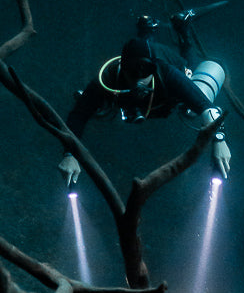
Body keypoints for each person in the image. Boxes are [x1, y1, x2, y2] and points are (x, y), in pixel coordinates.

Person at [64, 15, 231, 179]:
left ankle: (182, 29)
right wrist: (70, 154)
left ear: (153, 68)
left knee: (191, 90)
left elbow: (204, 105)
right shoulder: (107, 79)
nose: (140, 77)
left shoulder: (167, 72)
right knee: (98, 105)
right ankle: (146, 29)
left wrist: (219, 139)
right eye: (133, 71)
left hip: (169, 78)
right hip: (143, 71)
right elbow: (79, 115)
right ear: (123, 67)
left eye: (146, 70)